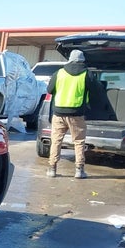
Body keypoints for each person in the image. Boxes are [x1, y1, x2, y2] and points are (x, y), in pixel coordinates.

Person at [46, 49, 93, 179]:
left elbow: (49, 89)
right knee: (79, 142)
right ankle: (79, 170)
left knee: (56, 140)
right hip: (77, 113)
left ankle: (52, 169)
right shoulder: (86, 74)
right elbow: (95, 91)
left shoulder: (59, 73)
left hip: (59, 112)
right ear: (82, 60)